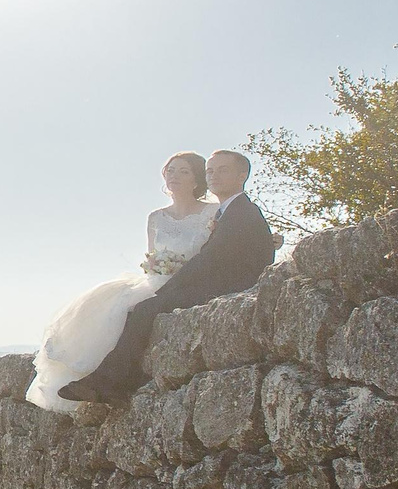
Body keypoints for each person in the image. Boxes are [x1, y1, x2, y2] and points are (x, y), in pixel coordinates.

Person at [56, 149, 276, 407]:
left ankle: (108, 382)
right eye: (211, 171)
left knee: (146, 310)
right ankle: (108, 381)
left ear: (242, 175)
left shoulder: (240, 211)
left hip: (225, 287)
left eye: (223, 170)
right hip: (203, 281)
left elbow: (215, 259)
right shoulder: (231, 210)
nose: (214, 176)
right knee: (134, 308)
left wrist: (175, 283)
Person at [26, 152, 219, 412]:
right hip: (157, 278)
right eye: (171, 170)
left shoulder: (212, 212)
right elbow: (152, 255)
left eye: (184, 171)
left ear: (197, 179)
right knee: (102, 306)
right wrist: (156, 265)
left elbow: (220, 250)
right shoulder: (156, 217)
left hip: (190, 281)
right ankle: (93, 378)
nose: (174, 176)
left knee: (134, 311)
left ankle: (111, 380)